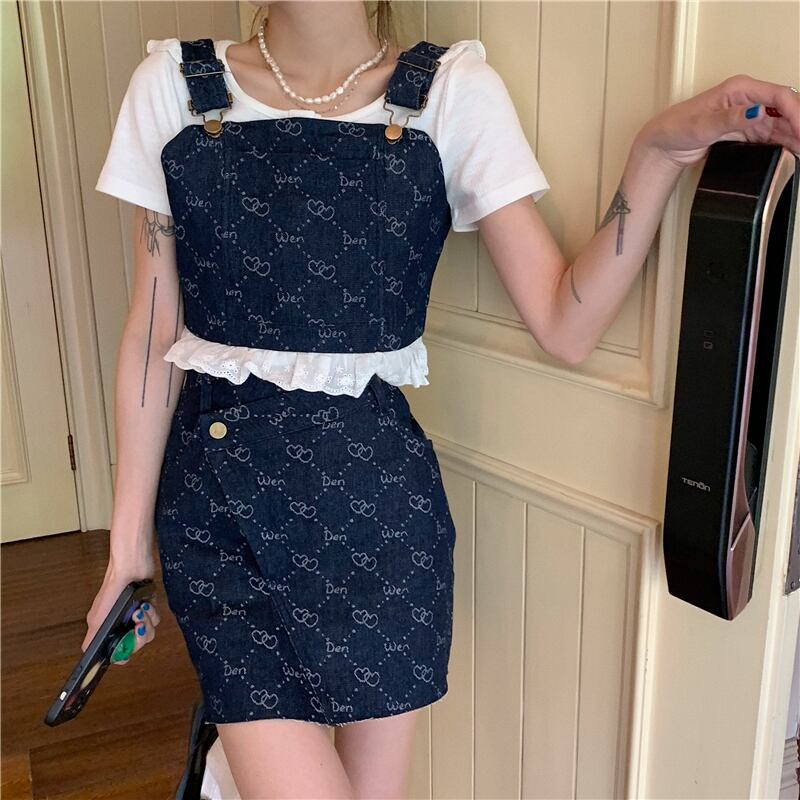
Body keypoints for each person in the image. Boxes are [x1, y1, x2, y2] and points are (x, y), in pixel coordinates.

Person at [84, 0, 800, 796]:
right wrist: (126, 548)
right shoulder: (174, 86)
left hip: (382, 522)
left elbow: (566, 324)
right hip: (221, 513)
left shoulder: (452, 93)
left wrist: (657, 152)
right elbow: (152, 333)